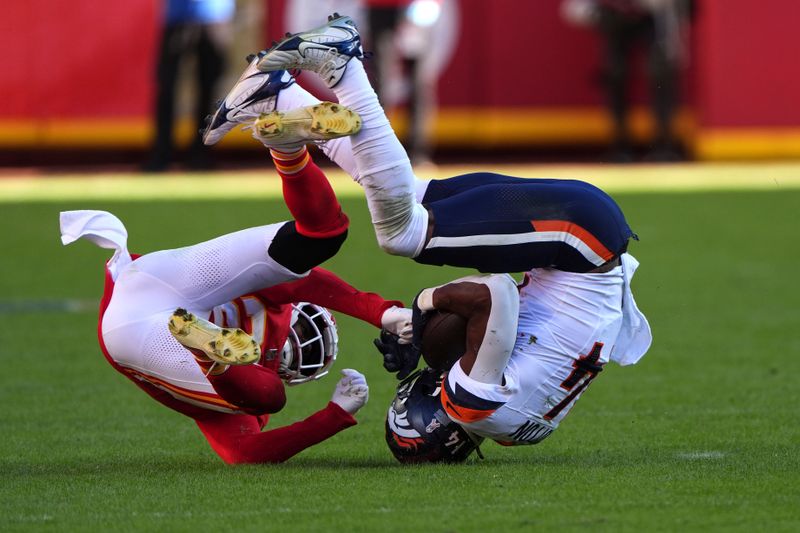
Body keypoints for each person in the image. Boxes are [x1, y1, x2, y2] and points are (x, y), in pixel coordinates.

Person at [210, 14, 652, 461]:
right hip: (578, 239)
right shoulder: (473, 408)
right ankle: (343, 64)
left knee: (402, 194)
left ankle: (277, 95)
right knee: (403, 233)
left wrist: (431, 330)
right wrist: (421, 308)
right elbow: (495, 291)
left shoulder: (515, 427)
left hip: (584, 237)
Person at [60, 98, 413, 464]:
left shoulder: (276, 303)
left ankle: (288, 151)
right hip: (135, 335)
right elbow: (244, 452)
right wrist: (335, 414)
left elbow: (307, 284)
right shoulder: (262, 378)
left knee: (325, 234)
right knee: (270, 397)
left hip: (145, 279)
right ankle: (205, 351)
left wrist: (381, 313)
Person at [561, 0, 691, 162]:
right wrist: (596, 13)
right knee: (615, 74)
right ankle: (620, 145)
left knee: (660, 71)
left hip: (653, 16)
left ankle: (664, 144)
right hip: (613, 16)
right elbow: (574, 10)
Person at [143, 0, 235, 172]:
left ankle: (199, 153)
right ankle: (164, 153)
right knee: (169, 86)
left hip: (212, 13)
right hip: (185, 14)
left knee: (208, 86)